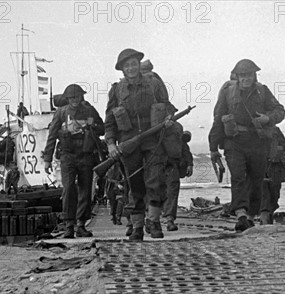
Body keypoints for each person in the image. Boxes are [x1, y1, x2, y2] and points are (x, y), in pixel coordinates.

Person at [105, 48, 177, 241]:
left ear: (139, 65)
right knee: (134, 184)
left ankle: (153, 221)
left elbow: (167, 104)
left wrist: (169, 117)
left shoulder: (153, 84)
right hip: (129, 141)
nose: (131, 68)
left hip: (153, 139)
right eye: (126, 65)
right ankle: (137, 225)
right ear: (122, 69)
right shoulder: (117, 90)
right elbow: (110, 119)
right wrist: (111, 143)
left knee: (156, 180)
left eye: (134, 64)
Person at [208, 59, 285, 232]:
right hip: (234, 142)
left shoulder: (263, 92)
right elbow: (218, 118)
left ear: (254, 76)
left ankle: (250, 216)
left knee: (256, 179)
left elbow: (280, 111)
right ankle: (241, 213)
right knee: (238, 176)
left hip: (258, 142)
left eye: (249, 75)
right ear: (237, 76)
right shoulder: (228, 92)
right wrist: (213, 147)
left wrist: (268, 118)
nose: (246, 79)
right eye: (242, 75)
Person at [44, 84, 104, 238]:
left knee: (85, 190)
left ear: (81, 96)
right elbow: (51, 136)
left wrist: (90, 126)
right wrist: (47, 159)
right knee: (68, 189)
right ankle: (69, 225)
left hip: (85, 155)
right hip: (68, 156)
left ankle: (81, 225)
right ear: (67, 99)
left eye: (77, 97)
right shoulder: (61, 113)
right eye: (71, 97)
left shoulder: (89, 111)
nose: (74, 100)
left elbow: (102, 128)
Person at [260, 128, 285, 224]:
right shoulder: (250, 128)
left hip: (274, 168)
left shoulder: (274, 130)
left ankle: (268, 216)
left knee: (274, 195)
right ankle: (263, 218)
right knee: (263, 194)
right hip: (259, 166)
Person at [162, 130, 194, 231]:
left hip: (171, 166)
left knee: (172, 191)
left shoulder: (176, 131)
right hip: (155, 165)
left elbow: (184, 149)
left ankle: (169, 219)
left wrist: (189, 164)